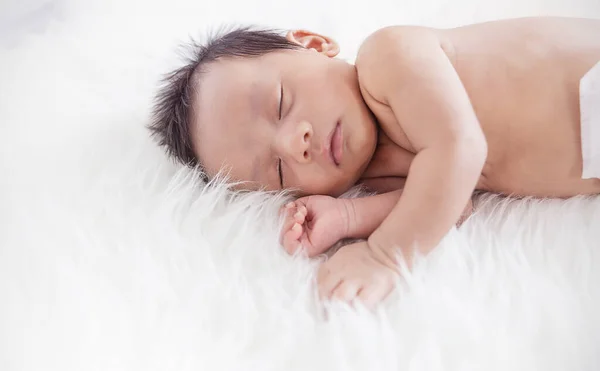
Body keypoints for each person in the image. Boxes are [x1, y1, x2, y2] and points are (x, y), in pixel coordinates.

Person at [149, 17, 600, 307]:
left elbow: (460, 150)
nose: (294, 144)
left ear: (314, 43)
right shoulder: (380, 168)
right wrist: (349, 215)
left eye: (281, 103)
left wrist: (385, 254)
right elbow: (450, 201)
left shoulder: (388, 58)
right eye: (279, 171)